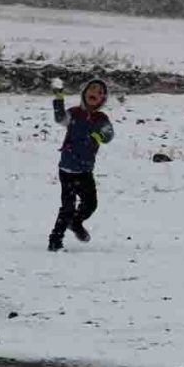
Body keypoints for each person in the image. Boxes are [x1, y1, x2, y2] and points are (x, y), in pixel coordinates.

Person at [47, 77, 115, 252]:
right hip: (67, 168)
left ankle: (75, 223)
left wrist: (99, 136)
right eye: (92, 89)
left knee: (90, 204)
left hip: (85, 170)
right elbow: (59, 118)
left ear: (103, 99)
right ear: (85, 93)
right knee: (67, 207)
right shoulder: (74, 113)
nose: (95, 93)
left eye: (100, 93)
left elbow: (109, 134)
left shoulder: (101, 118)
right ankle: (55, 240)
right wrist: (59, 98)